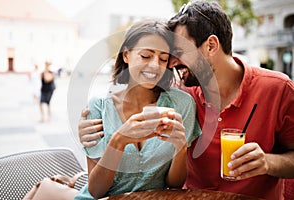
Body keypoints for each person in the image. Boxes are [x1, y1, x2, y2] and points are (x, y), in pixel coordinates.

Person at [78, 1, 294, 199]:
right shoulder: (183, 94)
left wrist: (269, 162)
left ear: (210, 46)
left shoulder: (278, 89)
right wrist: (94, 129)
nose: (170, 63)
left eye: (179, 51)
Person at [74, 19, 200, 200]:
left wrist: (180, 148)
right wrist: (118, 141)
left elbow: (174, 185)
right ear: (126, 55)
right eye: (146, 56)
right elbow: (96, 191)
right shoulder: (99, 107)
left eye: (163, 58)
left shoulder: (181, 104)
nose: (155, 65)